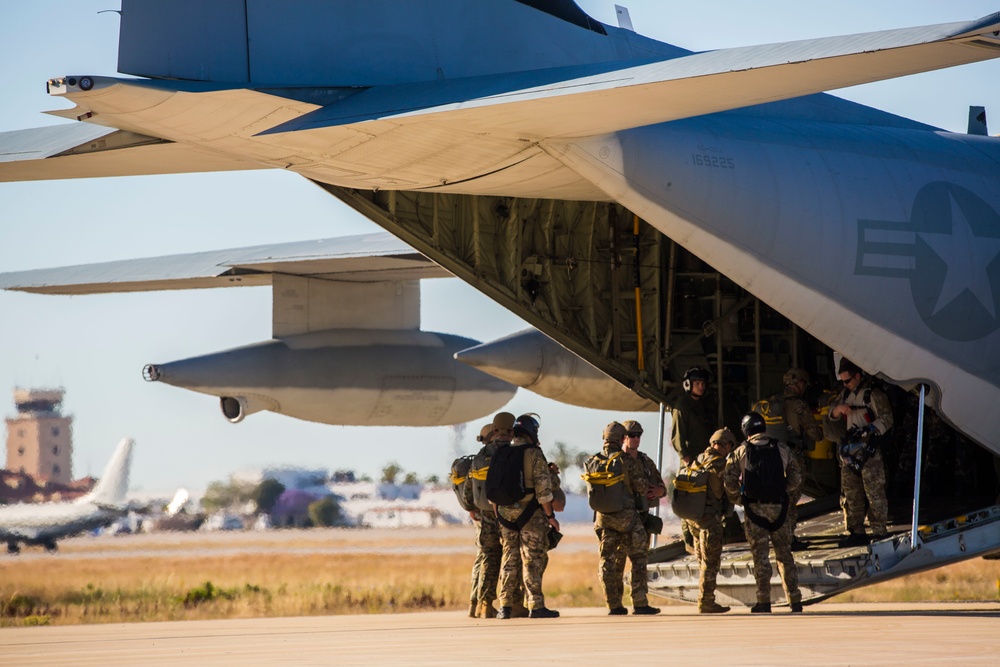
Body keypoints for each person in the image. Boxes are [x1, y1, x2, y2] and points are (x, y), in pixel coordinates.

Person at [723, 412, 804, 613]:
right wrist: (783, 494)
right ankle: (794, 600)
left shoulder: (740, 452)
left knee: (761, 557)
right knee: (785, 555)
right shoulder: (782, 448)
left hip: (754, 510)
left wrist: (741, 500)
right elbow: (796, 479)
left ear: (746, 430)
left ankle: (764, 601)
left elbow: (729, 483)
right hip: (780, 510)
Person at [494, 414, 560, 619]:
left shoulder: (502, 453)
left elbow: (493, 491)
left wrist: (500, 515)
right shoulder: (534, 454)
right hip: (529, 514)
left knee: (509, 559)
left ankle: (504, 606)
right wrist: (550, 516)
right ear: (532, 432)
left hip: (505, 516)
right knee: (532, 559)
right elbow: (544, 491)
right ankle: (536, 606)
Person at [824, 358, 893, 546]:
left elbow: (887, 419)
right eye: (842, 382)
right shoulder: (845, 394)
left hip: (869, 450)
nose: (845, 385)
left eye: (847, 381)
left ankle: (879, 530)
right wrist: (838, 410)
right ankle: (856, 531)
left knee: (874, 492)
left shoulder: (873, 394)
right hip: (850, 451)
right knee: (850, 493)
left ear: (858, 376)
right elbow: (831, 413)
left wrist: (869, 429)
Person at [593, 422, 659, 616]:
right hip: (627, 519)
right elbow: (640, 487)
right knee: (638, 558)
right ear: (622, 438)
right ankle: (640, 603)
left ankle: (613, 605)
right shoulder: (627, 461)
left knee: (607, 561)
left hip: (604, 520)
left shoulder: (593, 460)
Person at [464, 413, 515, 619]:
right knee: (510, 558)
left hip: (484, 515)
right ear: (511, 433)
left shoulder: (478, 457)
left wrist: (471, 509)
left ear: (494, 432)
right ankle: (513, 602)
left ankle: (483, 604)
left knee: (487, 558)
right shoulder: (511, 454)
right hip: (506, 513)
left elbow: (468, 489)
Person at [689, 428, 738, 613]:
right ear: (725, 445)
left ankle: (704, 598)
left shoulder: (698, 460)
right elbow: (731, 490)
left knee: (703, 562)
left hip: (693, 520)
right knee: (710, 563)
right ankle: (706, 601)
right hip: (710, 520)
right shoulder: (720, 464)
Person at [670, 366, 717, 551]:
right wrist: (686, 458)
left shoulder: (703, 405)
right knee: (689, 498)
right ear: (688, 385)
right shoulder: (682, 406)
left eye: (703, 383)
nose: (701, 386)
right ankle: (689, 539)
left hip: (705, 458)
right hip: (692, 460)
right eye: (697, 383)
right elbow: (677, 436)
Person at [781, 367, 824, 547]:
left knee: (782, 498)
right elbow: (814, 434)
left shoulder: (775, 401)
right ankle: (788, 539)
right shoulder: (799, 405)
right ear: (798, 383)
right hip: (792, 456)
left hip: (777, 456)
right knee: (791, 500)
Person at [621, 420, 666, 539]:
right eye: (632, 435)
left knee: (642, 556)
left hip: (642, 518)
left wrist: (658, 491)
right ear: (624, 437)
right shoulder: (617, 461)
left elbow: (662, 488)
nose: (636, 438)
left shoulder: (646, 461)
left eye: (639, 435)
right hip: (621, 518)